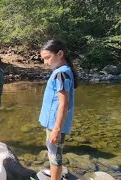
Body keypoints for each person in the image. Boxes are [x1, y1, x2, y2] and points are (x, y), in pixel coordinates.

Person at [39, 39, 78, 180]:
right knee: (53, 153)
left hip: (55, 124)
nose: (45, 62)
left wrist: (56, 129)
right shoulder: (62, 71)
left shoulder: (62, 74)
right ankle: (55, 174)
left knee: (55, 156)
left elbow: (64, 104)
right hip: (54, 123)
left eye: (48, 58)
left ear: (60, 54)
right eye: (43, 59)